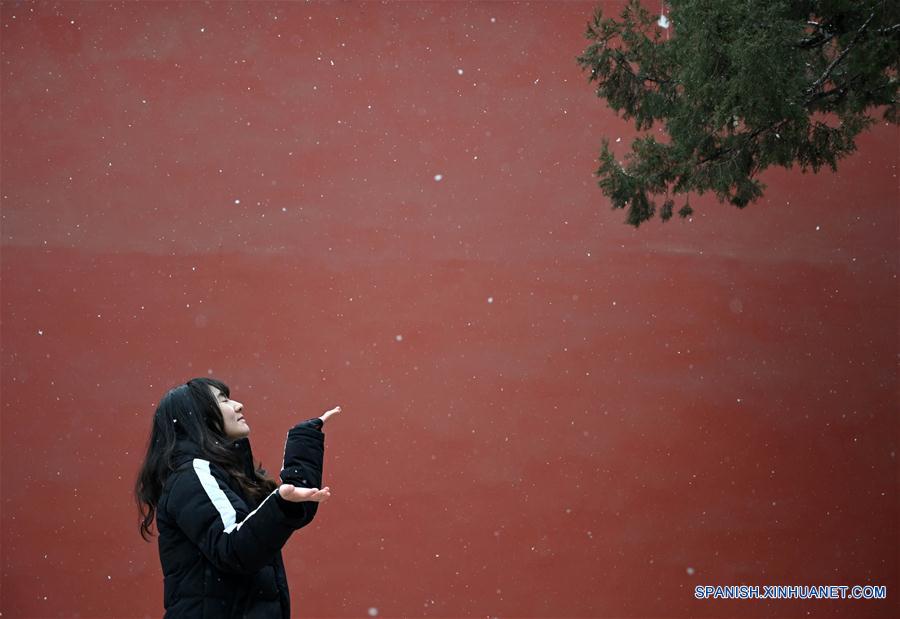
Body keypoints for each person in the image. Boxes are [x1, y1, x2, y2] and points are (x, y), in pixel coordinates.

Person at [134, 377, 341, 618]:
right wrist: (280, 503)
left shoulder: (227, 474)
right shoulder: (193, 474)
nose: (239, 405)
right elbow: (235, 549)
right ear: (198, 418)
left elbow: (289, 513)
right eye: (224, 400)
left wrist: (304, 442)